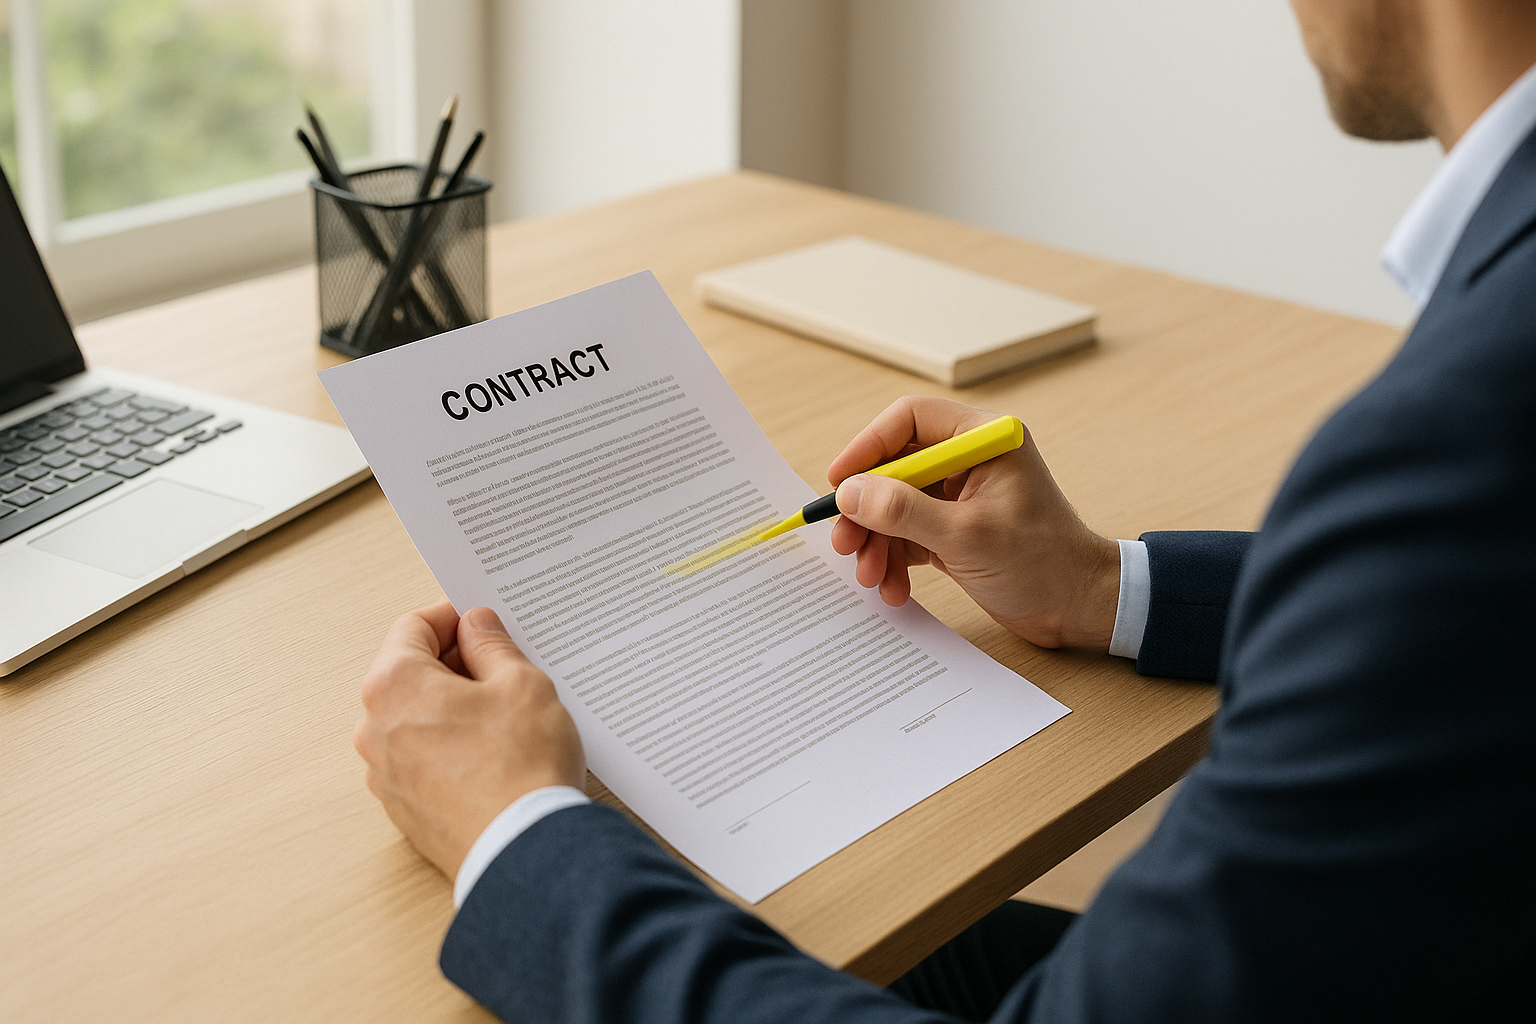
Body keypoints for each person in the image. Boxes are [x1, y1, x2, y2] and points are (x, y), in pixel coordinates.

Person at [350, 0, 1535, 1020]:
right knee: (900, 932)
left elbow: (1448, 549)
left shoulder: (1464, 430)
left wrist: (517, 834)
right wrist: (1104, 587)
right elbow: (1466, 622)